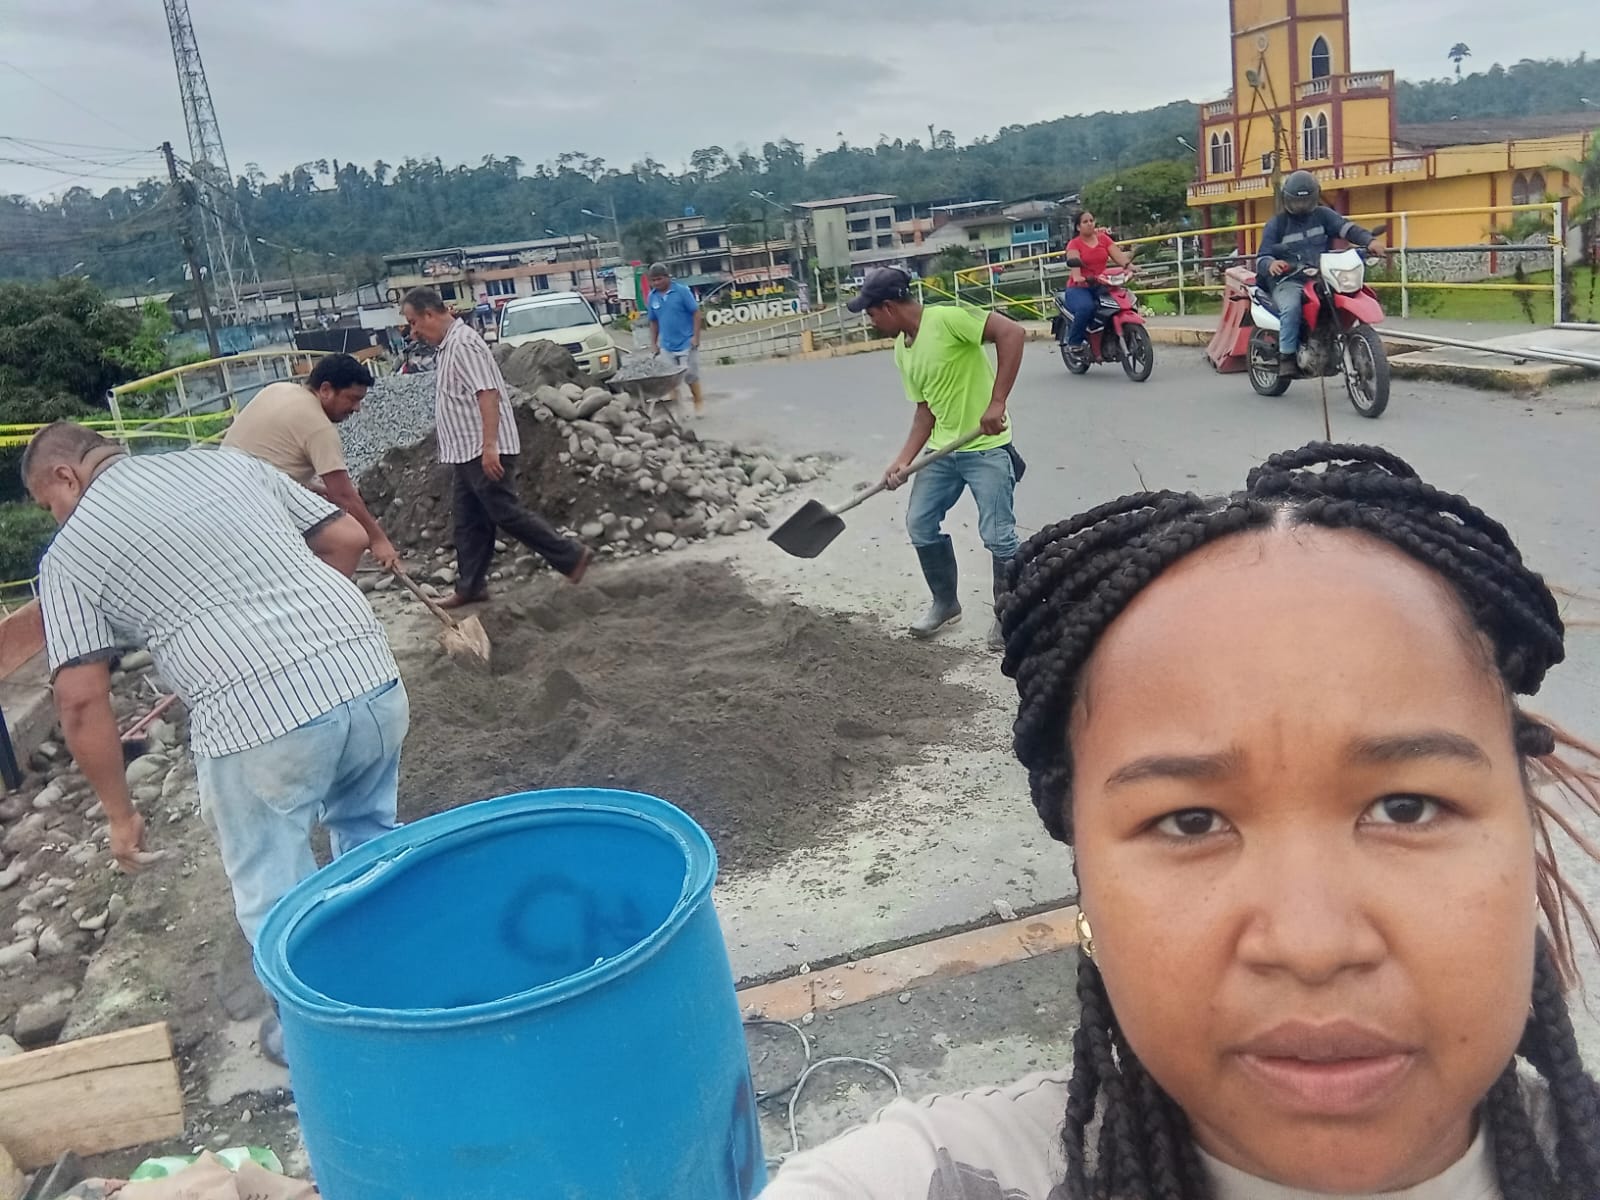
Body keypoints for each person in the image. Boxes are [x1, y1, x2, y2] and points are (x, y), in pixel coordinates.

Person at [759, 443, 1600, 1199]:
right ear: (1085, 879)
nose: (1312, 945)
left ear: (1524, 828)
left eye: (1405, 808)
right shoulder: (935, 1180)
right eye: (1191, 821)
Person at [24, 423, 410, 1061]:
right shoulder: (226, 464)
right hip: (369, 677)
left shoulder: (71, 554)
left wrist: (120, 814)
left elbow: (81, 699)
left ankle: (325, 1042)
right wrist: (312, 634)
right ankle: (402, 981)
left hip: (258, 720)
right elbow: (346, 537)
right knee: (371, 836)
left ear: (66, 475)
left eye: (49, 504)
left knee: (273, 888)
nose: (55, 517)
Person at [850, 267, 1026, 652]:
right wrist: (903, 461)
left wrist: (997, 402)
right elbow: (924, 411)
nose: (870, 321)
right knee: (920, 523)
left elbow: (1012, 332)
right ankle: (946, 604)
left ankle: (1009, 613)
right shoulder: (903, 349)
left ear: (890, 307)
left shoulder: (947, 319)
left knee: (998, 535)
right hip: (942, 452)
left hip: (986, 447)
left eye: (871, 313)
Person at [399, 287, 592, 607]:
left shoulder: (464, 344)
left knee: (504, 512)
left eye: (413, 322)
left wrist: (490, 446)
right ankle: (471, 586)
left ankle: (571, 556)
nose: (413, 331)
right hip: (466, 450)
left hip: (483, 448)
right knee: (468, 521)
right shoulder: (449, 346)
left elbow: (487, 393)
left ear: (429, 314)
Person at [222, 353, 401, 571]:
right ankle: (322, 592)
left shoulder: (277, 389)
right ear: (325, 390)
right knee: (351, 539)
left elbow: (267, 456)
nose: (357, 408)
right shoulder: (319, 427)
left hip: (223, 487)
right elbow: (343, 495)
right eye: (352, 399)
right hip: (251, 506)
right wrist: (378, 540)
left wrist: (312, 487)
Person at [1258, 171, 1384, 377]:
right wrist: (1271, 263)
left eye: (1306, 201)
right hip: (1289, 279)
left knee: (1343, 296)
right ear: (1286, 199)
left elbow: (1347, 229)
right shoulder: (1277, 224)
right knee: (1291, 307)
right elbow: (1262, 256)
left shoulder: (1323, 215)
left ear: (1315, 197)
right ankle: (1287, 357)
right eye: (1297, 201)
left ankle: (1334, 341)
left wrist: (1369, 241)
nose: (1301, 206)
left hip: (1321, 275)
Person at [1059, 210, 1134, 355]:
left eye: (1091, 221)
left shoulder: (1103, 239)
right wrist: (1079, 277)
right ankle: (1074, 343)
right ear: (1078, 227)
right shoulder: (1074, 244)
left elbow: (1119, 257)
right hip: (1079, 288)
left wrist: (1130, 267)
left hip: (1102, 284)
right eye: (1085, 222)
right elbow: (1075, 267)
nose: (1089, 224)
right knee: (1086, 308)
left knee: (1122, 302)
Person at [646, 263, 704, 415]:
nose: (656, 283)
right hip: (667, 345)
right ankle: (678, 408)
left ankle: (698, 402)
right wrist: (654, 343)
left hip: (686, 342)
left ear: (667, 277)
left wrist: (696, 337)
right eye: (653, 280)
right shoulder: (652, 297)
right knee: (670, 380)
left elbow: (696, 313)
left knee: (690, 376)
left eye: (659, 279)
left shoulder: (681, 291)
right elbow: (653, 321)